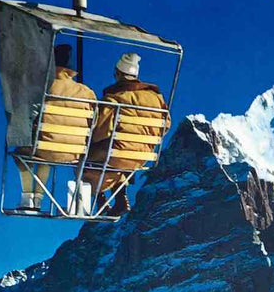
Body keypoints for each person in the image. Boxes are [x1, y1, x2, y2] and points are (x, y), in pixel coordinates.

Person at [84, 52, 170, 215]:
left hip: (116, 153)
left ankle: (100, 199)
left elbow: (100, 130)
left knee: (88, 156)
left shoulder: (114, 98)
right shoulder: (156, 98)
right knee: (120, 155)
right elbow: (166, 124)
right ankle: (120, 198)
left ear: (117, 74)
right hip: (143, 155)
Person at [16, 44, 97, 212]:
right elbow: (94, 121)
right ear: (72, 70)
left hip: (45, 148)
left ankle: (28, 199)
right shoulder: (86, 92)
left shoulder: (42, 86)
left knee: (25, 152)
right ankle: (37, 199)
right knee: (46, 151)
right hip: (75, 152)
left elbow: (28, 114)